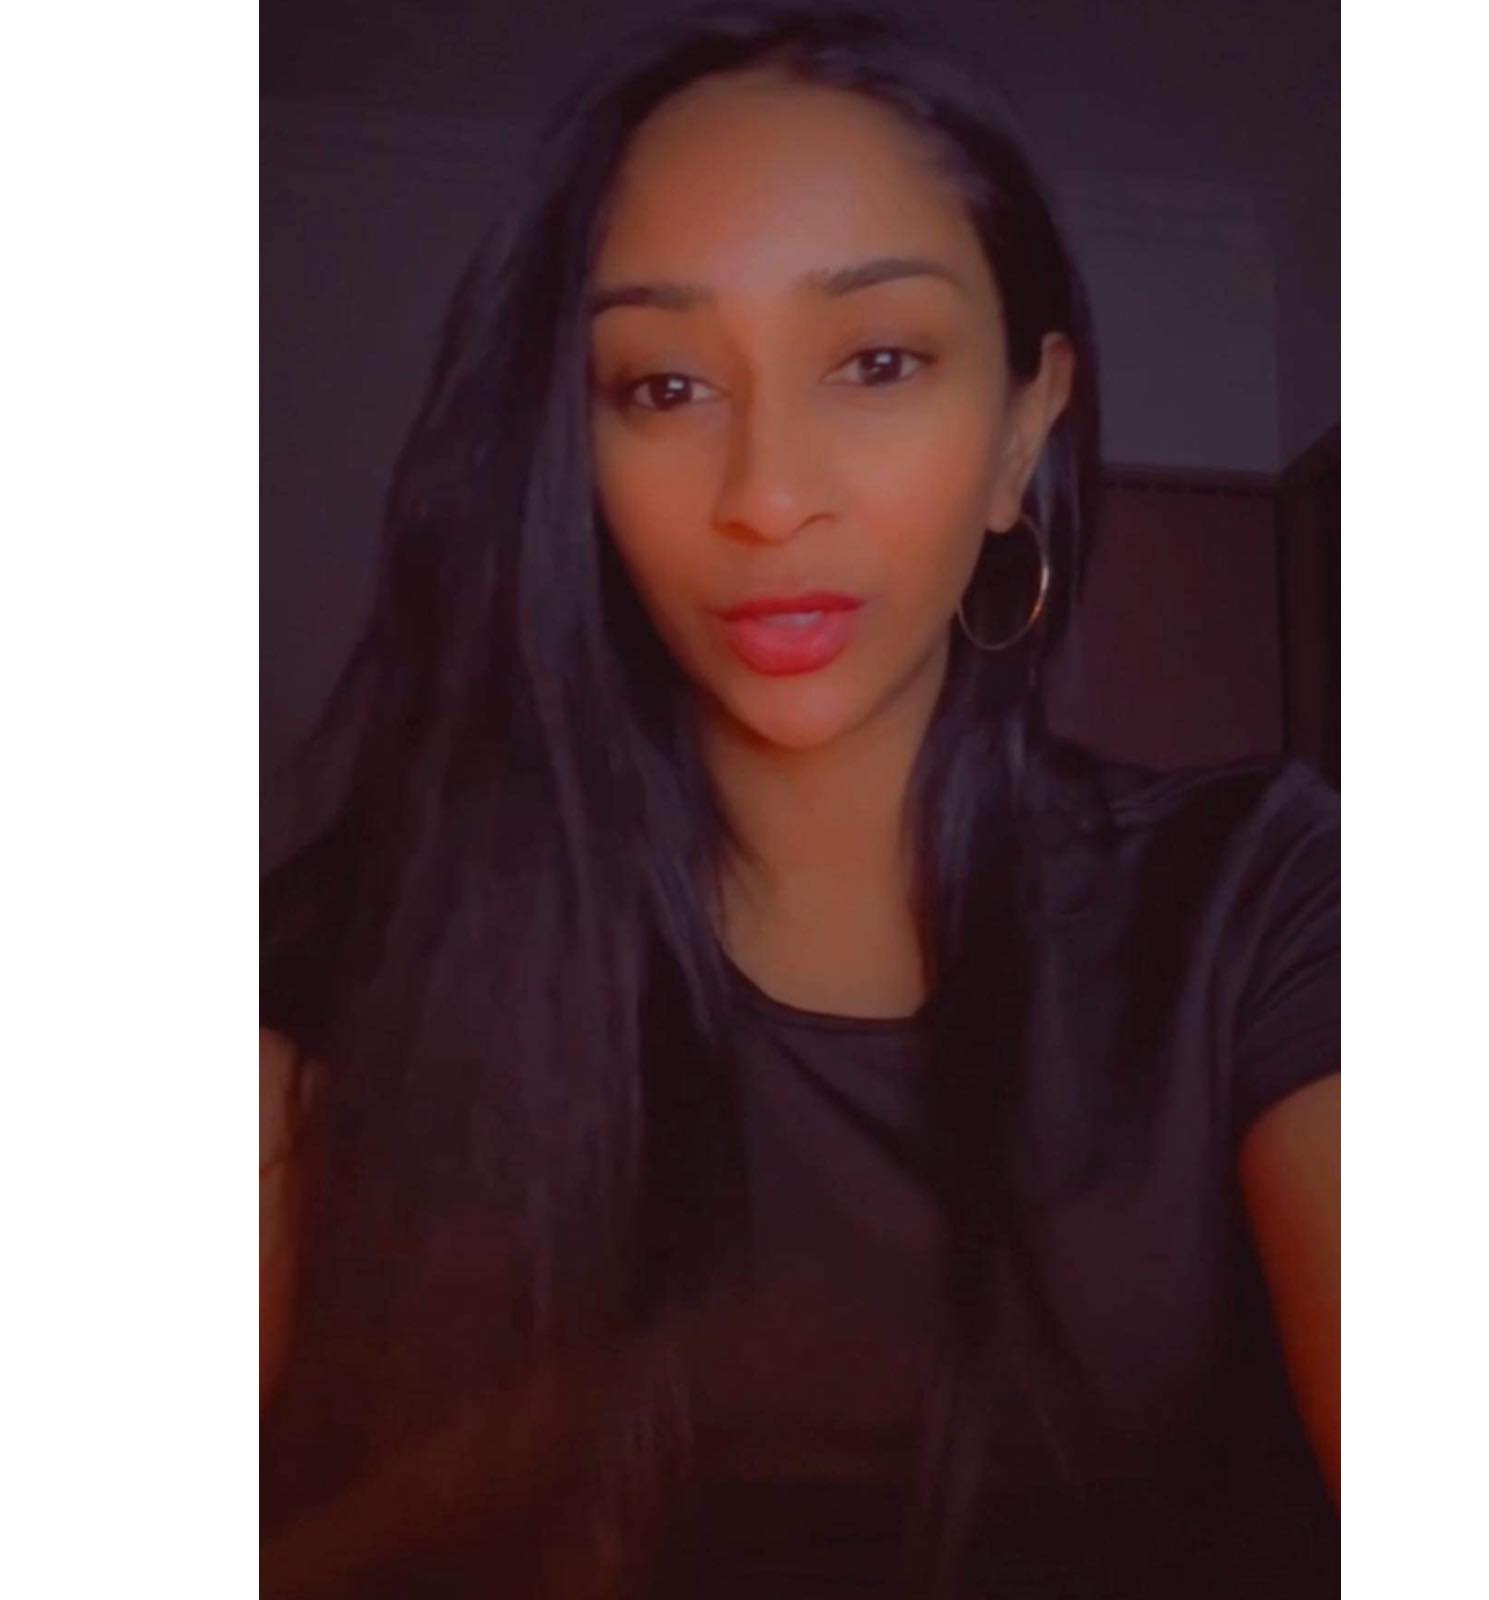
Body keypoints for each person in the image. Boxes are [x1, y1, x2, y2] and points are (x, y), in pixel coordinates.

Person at [260, 4, 1340, 1596]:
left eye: (879, 362)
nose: (767, 496)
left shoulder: (1263, 910)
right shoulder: (348, 960)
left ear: (1022, 430)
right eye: (663, 385)